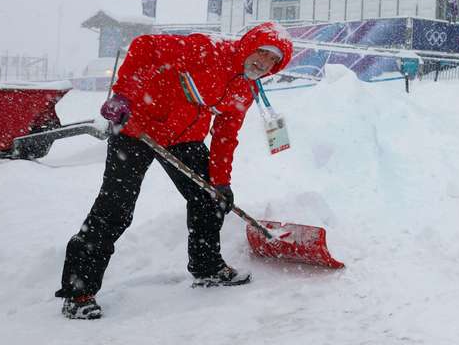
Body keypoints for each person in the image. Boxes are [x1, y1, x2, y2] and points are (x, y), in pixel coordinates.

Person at [55, 22, 293, 320]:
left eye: (273, 60)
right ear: (249, 45)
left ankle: (206, 268)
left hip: (184, 138)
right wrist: (124, 96)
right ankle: (78, 292)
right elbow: (144, 47)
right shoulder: (206, 50)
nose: (264, 62)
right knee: (115, 208)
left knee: (209, 198)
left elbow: (225, 135)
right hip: (137, 126)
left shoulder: (244, 89)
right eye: (262, 52)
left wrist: (221, 183)